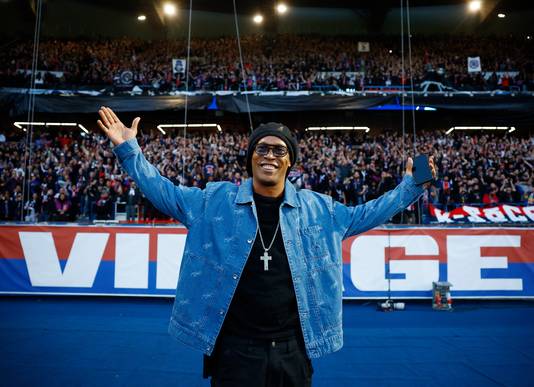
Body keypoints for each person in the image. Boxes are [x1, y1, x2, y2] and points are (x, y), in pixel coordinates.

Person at [97, 106, 436, 386]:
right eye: (262, 148)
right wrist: (130, 151)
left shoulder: (320, 210)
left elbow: (369, 212)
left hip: (293, 353)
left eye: (279, 150)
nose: (269, 155)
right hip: (233, 352)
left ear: (290, 161)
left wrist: (412, 186)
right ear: (251, 159)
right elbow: (164, 192)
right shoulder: (215, 201)